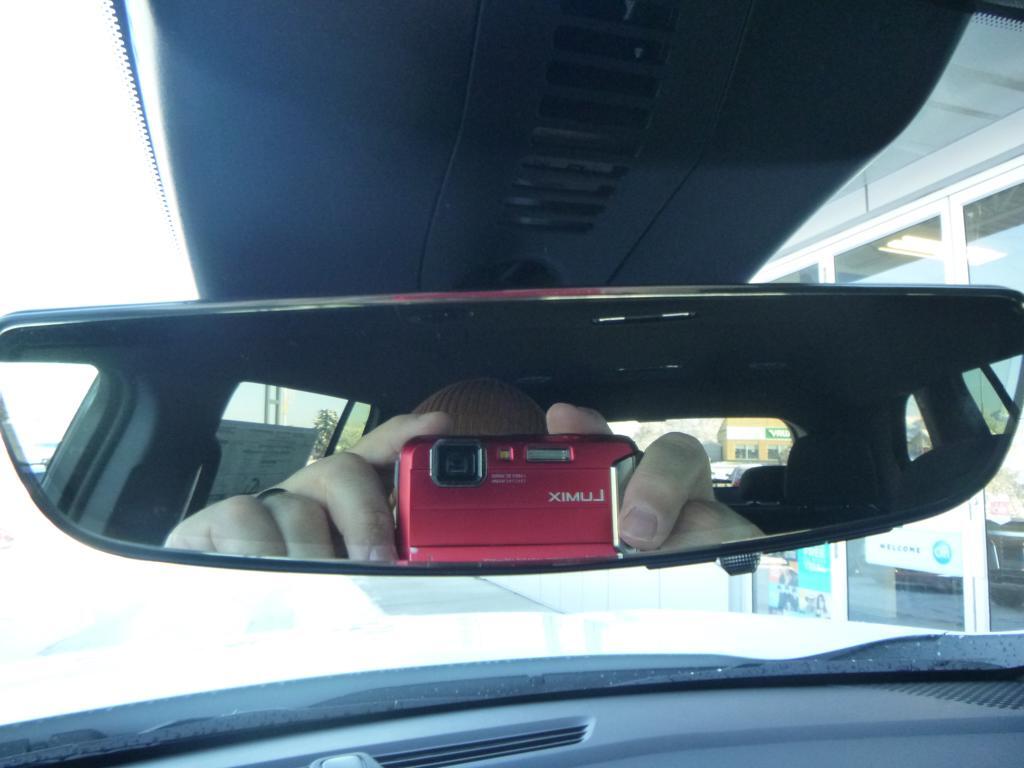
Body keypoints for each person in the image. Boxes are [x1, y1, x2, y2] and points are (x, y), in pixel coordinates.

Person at [166, 379, 761, 560]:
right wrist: (240, 561)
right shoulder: (339, 574)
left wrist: (718, 570)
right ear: (383, 495)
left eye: (532, 481)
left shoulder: (620, 594)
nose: (491, 514)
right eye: (433, 484)